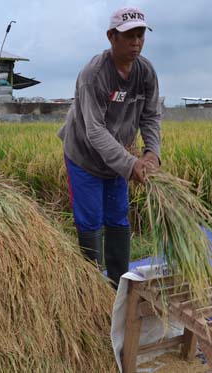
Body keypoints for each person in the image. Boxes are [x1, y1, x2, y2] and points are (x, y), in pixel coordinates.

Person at [57, 6, 162, 288]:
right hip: (85, 157)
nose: (136, 42)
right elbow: (94, 130)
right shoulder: (94, 75)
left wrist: (152, 152)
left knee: (117, 216)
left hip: (118, 157)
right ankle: (91, 287)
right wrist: (130, 165)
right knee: (91, 219)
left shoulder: (146, 72)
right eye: (129, 36)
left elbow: (150, 115)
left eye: (140, 35)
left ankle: (118, 284)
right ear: (111, 37)